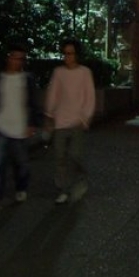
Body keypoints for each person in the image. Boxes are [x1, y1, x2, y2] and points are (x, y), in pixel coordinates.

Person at [0, 40, 42, 210]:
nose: (17, 62)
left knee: (21, 162)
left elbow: (33, 102)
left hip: (20, 127)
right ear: (8, 58)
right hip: (1, 125)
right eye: (14, 58)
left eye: (21, 59)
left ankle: (21, 186)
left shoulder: (27, 79)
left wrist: (32, 123)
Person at [43, 39, 96, 204]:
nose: (67, 57)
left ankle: (81, 176)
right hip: (60, 120)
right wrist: (49, 115)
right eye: (65, 54)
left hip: (77, 121)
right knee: (60, 156)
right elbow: (53, 93)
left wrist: (84, 117)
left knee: (75, 155)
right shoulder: (58, 72)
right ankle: (63, 189)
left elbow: (90, 97)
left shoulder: (85, 72)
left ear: (76, 55)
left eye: (71, 53)